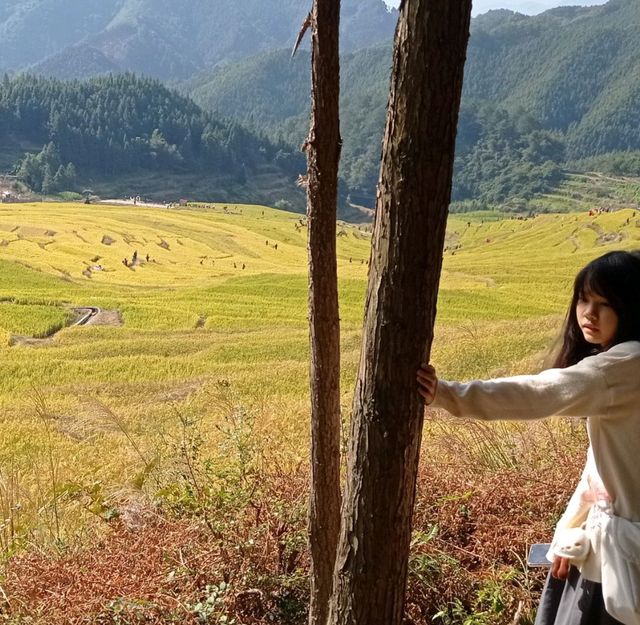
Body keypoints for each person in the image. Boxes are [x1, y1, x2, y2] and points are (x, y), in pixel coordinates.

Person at [417, 250, 640, 625]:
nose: (588, 313)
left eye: (605, 304)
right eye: (583, 299)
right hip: (607, 548)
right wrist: (573, 529)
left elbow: (538, 393)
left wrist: (447, 395)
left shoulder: (622, 367)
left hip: (620, 567)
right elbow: (600, 469)